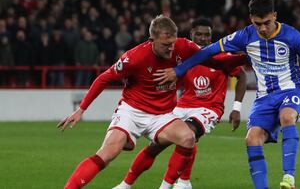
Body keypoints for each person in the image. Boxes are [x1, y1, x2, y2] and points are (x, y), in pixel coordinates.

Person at [153, 0, 300, 189]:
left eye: (266, 22)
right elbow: (208, 51)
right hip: (264, 97)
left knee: (287, 116)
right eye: (258, 23)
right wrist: (179, 70)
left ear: (275, 15)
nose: (263, 28)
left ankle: (289, 178)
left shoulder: (292, 36)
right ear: (251, 20)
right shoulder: (244, 36)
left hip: (291, 90)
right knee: (252, 139)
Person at [57, 15, 202, 189]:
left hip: (162, 115)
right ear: (151, 40)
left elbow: (209, 55)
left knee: (187, 138)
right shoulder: (134, 57)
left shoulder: (183, 46)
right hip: (132, 111)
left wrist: (237, 53)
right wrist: (81, 109)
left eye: (172, 42)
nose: (171, 48)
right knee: (108, 153)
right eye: (165, 44)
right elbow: (104, 78)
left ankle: (171, 186)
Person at [112, 18, 247, 189]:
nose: (203, 38)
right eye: (199, 34)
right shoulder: (181, 54)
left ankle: (168, 185)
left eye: (207, 35)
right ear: (191, 35)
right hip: (182, 106)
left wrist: (236, 108)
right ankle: (126, 185)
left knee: (188, 134)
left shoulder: (219, 56)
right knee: (155, 146)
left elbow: (241, 75)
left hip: (208, 108)